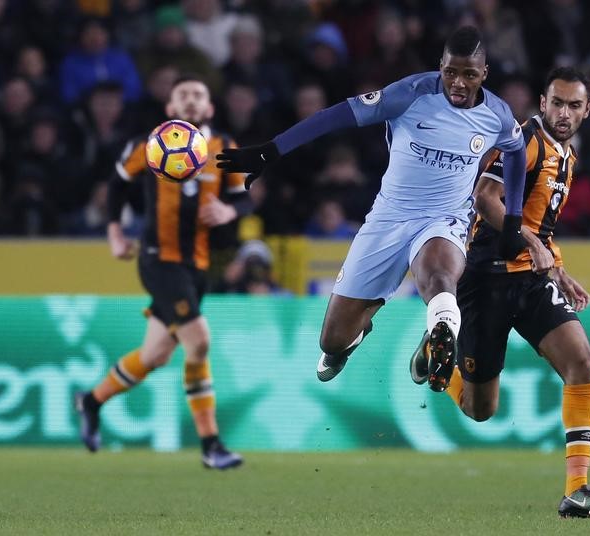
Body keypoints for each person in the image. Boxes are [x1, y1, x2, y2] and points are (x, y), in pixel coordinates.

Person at [216, 26, 528, 391]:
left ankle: (440, 335)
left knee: (439, 276)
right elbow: (335, 116)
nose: (458, 83)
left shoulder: (498, 115)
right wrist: (271, 150)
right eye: (450, 72)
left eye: (470, 75)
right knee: (331, 341)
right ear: (440, 66)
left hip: (445, 218)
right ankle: (355, 336)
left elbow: (516, 153)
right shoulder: (410, 94)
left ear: (484, 74)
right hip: (388, 218)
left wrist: (514, 216)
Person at [409, 67, 590, 518]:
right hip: (484, 280)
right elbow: (486, 198)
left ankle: (576, 490)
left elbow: (539, 222)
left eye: (574, 105)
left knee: (582, 363)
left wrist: (556, 268)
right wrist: (535, 243)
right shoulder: (523, 140)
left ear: (587, 110)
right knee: (479, 409)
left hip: (530, 281)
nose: (564, 113)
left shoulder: (567, 156)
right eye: (557, 103)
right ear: (543, 103)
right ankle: (434, 359)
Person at [74, 75, 248, 470]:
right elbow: (116, 186)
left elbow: (244, 199)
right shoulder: (147, 145)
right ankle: (211, 444)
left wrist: (229, 211)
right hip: (158, 258)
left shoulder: (224, 147)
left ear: (209, 108)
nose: (190, 101)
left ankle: (91, 401)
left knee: (154, 354)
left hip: (197, 265)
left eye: (198, 95)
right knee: (199, 340)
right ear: (170, 109)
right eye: (182, 95)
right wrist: (115, 233)